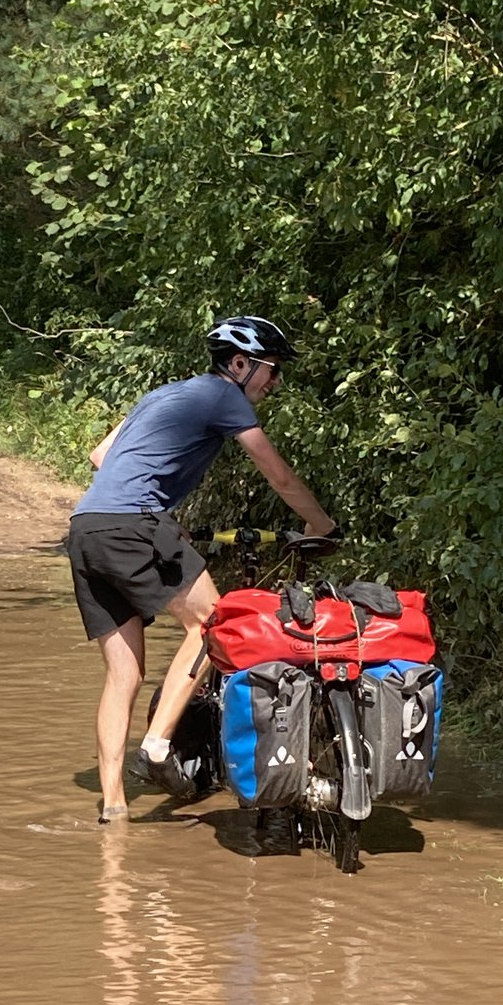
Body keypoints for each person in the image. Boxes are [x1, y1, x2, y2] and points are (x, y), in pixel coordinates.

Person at [67, 315, 335, 822]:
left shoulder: (161, 395)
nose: (274, 382)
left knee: (123, 673)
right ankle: (158, 745)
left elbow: (101, 455)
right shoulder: (223, 396)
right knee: (215, 623)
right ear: (239, 364)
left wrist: (160, 515)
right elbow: (277, 474)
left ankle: (114, 808)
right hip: (133, 525)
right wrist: (321, 525)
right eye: (270, 370)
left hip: (87, 528)